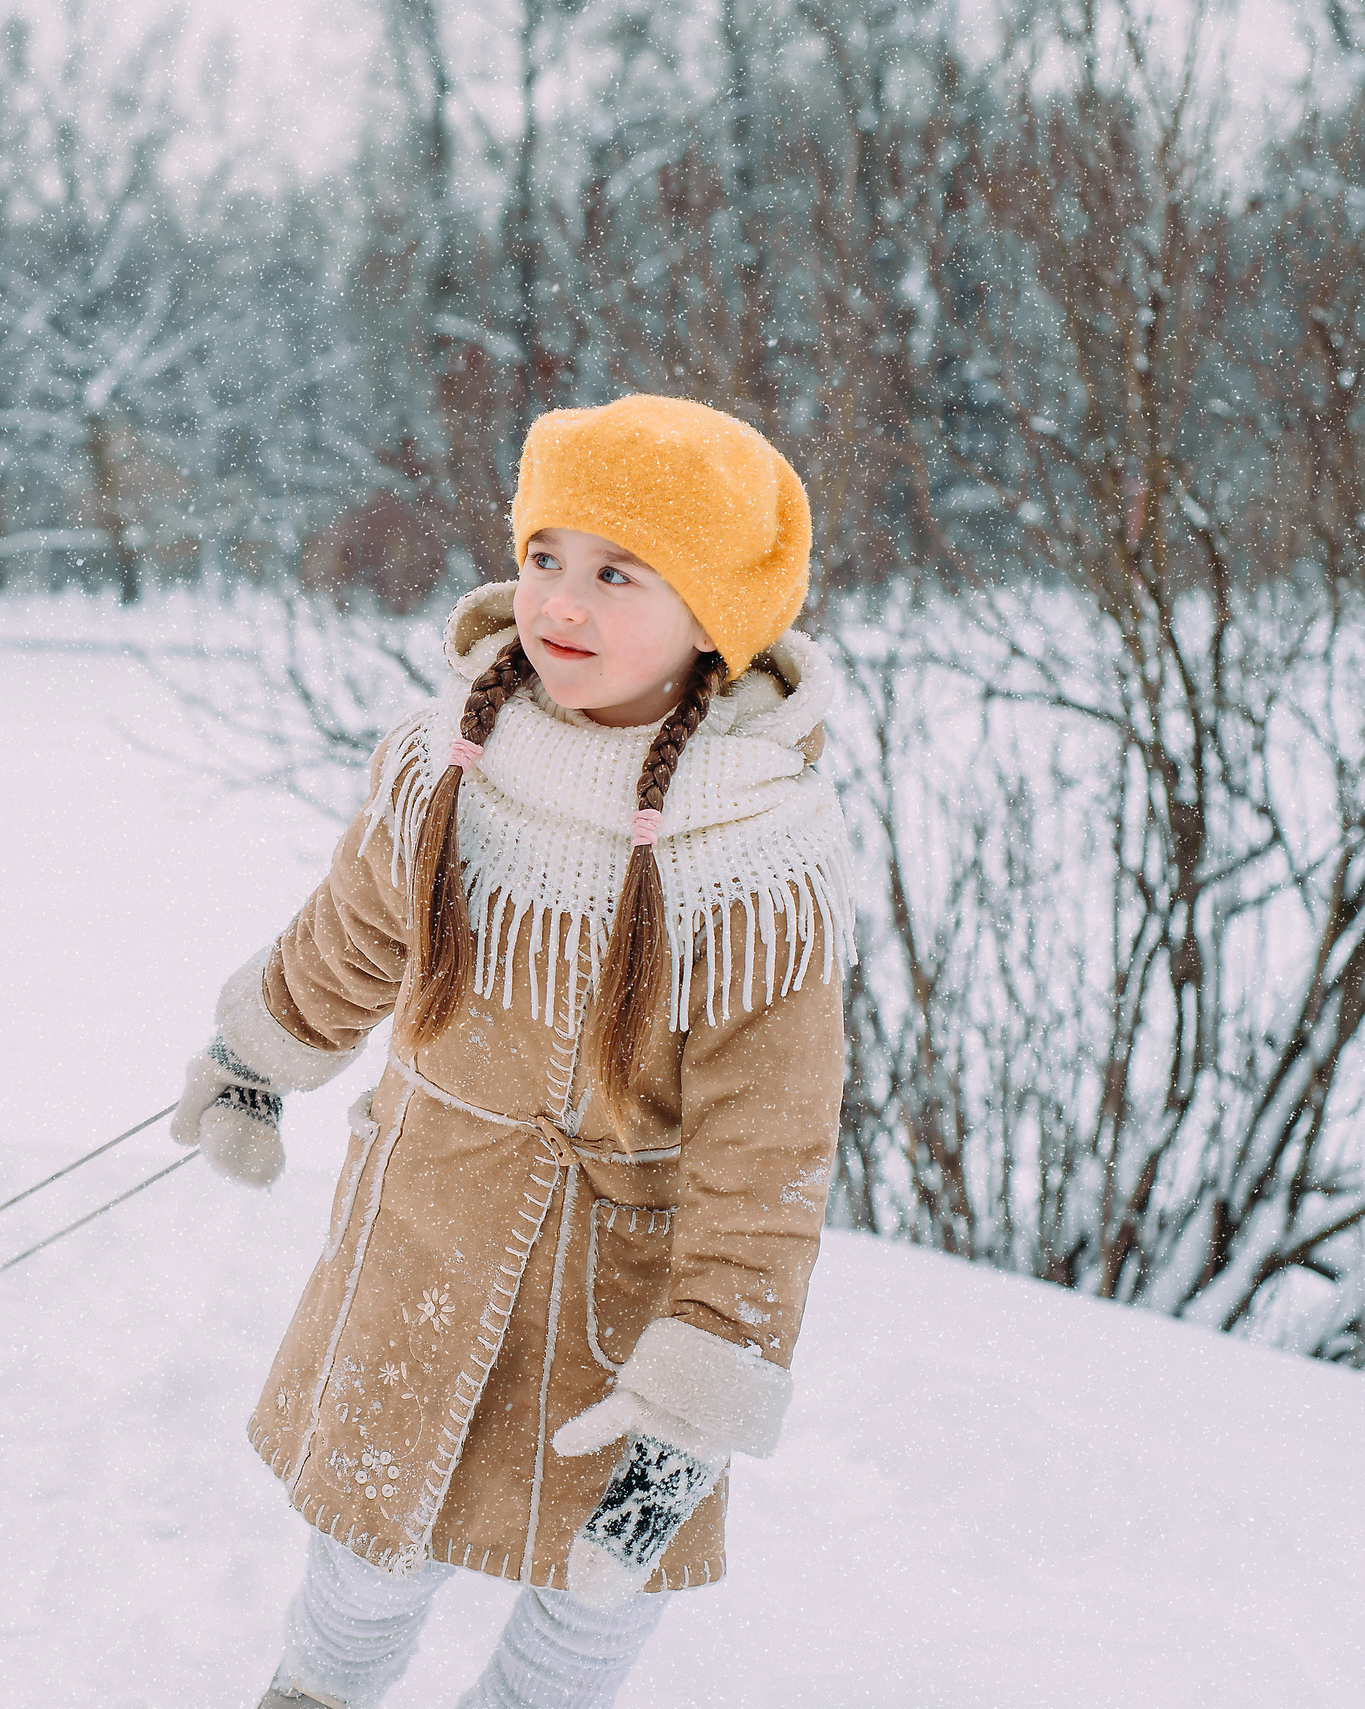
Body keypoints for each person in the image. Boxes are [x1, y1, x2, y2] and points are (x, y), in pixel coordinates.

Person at [171, 395, 854, 1709]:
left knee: (598, 1588)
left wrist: (714, 1359)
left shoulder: (762, 860)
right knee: (367, 1539)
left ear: (712, 611)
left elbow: (772, 1147)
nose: (561, 598)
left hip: (631, 1289)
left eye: (617, 571)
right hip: (424, 1231)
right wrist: (255, 1048)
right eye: (546, 553)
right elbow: (355, 936)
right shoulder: (455, 761)